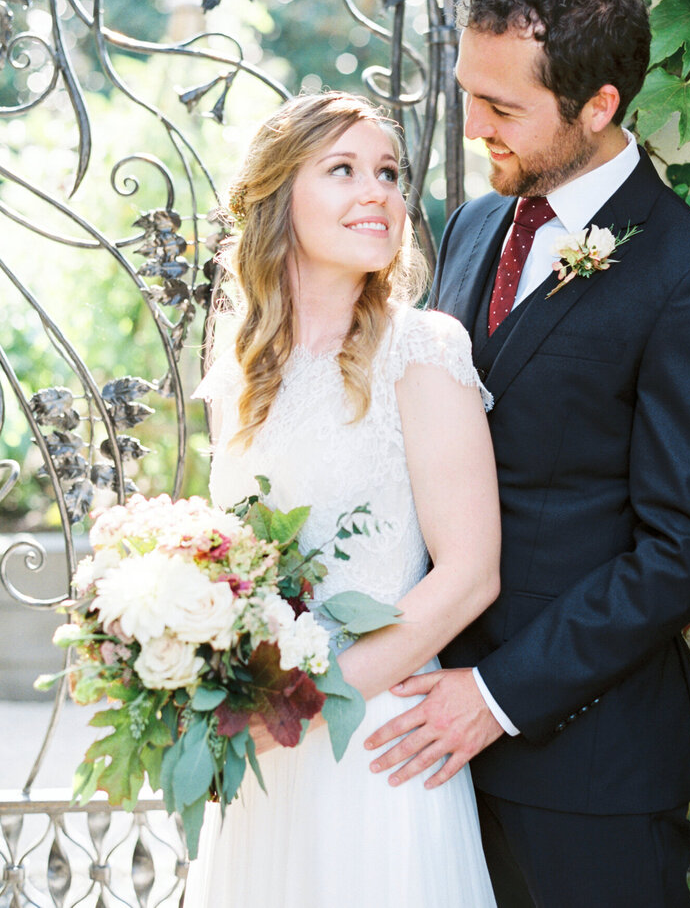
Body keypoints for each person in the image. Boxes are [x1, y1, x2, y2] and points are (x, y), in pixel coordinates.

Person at [363, 0, 690, 908]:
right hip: (428, 754)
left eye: (504, 109)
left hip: (589, 771)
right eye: (469, 94)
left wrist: (497, 695)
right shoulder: (469, 228)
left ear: (599, 106)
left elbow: (688, 548)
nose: (475, 128)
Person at [182, 91, 501, 908]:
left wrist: (313, 699)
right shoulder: (242, 365)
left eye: (389, 173)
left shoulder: (422, 350)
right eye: (345, 170)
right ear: (279, 196)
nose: (380, 193)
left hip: (378, 747)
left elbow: (468, 575)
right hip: (266, 756)